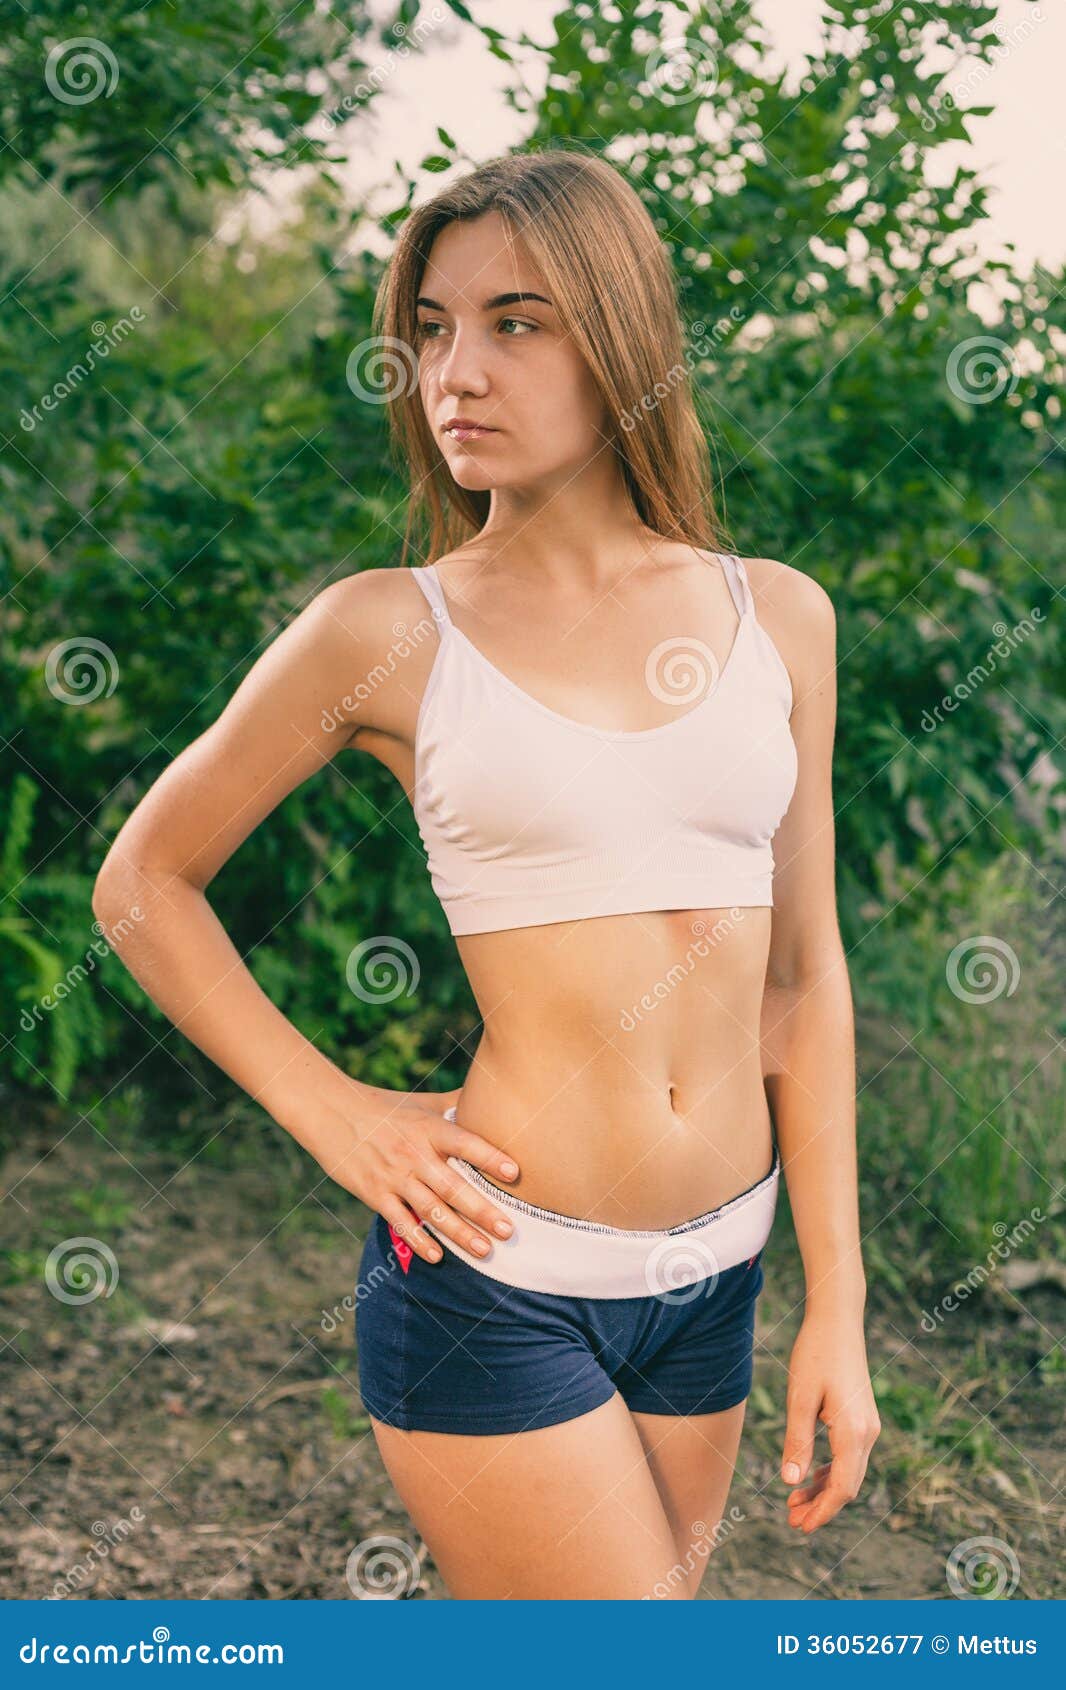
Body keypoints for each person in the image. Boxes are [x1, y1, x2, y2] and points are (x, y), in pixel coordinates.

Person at [92, 147, 880, 1602]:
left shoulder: (776, 616)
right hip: (495, 1282)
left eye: (515, 323)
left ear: (619, 337)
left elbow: (797, 980)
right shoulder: (384, 630)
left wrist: (836, 1303)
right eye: (434, 326)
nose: (454, 368)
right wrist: (331, 1112)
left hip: (713, 1281)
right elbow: (144, 881)